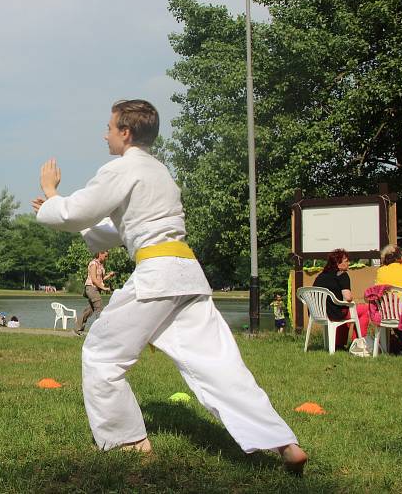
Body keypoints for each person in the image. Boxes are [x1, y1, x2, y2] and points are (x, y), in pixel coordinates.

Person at [32, 99, 306, 472]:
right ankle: (283, 442)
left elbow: (74, 211)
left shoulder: (122, 168)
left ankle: (128, 442)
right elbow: (125, 229)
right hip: (187, 273)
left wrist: (51, 194)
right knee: (219, 365)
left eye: (109, 127)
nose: (105, 134)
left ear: (125, 132)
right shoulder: (160, 172)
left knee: (102, 354)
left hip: (158, 274)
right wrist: (66, 213)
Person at [312, 249, 370, 348]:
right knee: (365, 309)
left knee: (345, 309)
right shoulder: (342, 275)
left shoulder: (321, 276)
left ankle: (339, 344)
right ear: (338, 263)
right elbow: (347, 297)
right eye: (346, 261)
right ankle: (358, 343)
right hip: (334, 313)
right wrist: (352, 299)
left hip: (317, 313)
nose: (349, 263)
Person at [74, 250, 115, 335]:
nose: (107, 258)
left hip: (95, 289)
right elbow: (94, 280)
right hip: (91, 288)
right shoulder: (93, 264)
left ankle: (77, 330)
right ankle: (101, 332)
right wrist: (104, 288)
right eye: (106, 256)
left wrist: (109, 275)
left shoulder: (101, 265)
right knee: (99, 308)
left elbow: (100, 279)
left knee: (89, 310)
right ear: (100, 254)